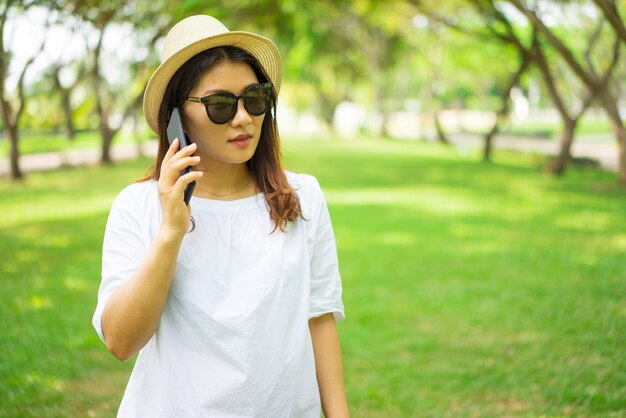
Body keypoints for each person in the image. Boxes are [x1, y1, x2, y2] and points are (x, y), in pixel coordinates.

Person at [91, 15, 349, 418]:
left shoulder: (303, 198)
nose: (244, 117)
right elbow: (121, 342)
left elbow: (320, 320)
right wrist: (171, 231)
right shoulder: (138, 206)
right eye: (221, 105)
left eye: (255, 98)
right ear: (177, 116)